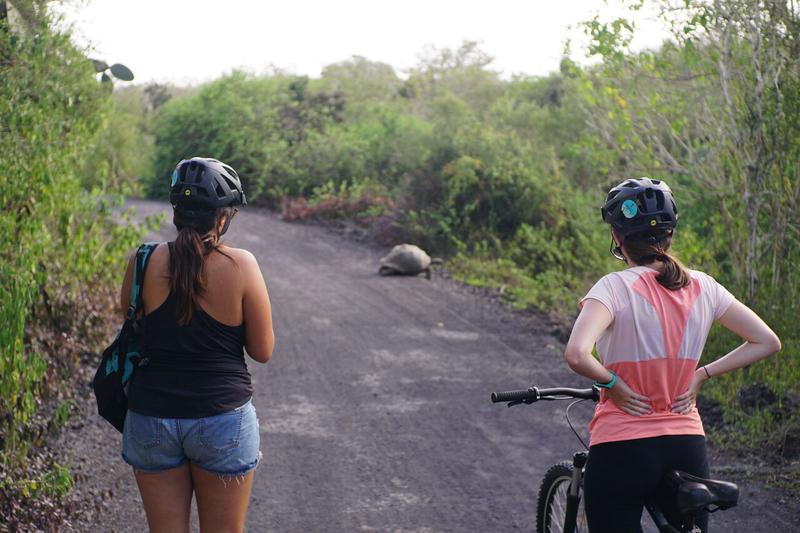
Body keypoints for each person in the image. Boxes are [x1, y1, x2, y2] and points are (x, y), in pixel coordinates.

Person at [563, 177, 781, 532]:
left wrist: (614, 383)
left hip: (623, 445)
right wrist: (701, 374)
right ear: (670, 235)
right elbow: (767, 341)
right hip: (686, 443)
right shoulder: (704, 285)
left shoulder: (613, 287)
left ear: (617, 238)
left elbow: (576, 354)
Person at [119, 157, 274, 533]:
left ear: (177, 212)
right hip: (222, 420)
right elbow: (262, 350)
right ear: (222, 218)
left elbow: (133, 324)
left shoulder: (142, 261)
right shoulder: (242, 265)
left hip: (151, 418)